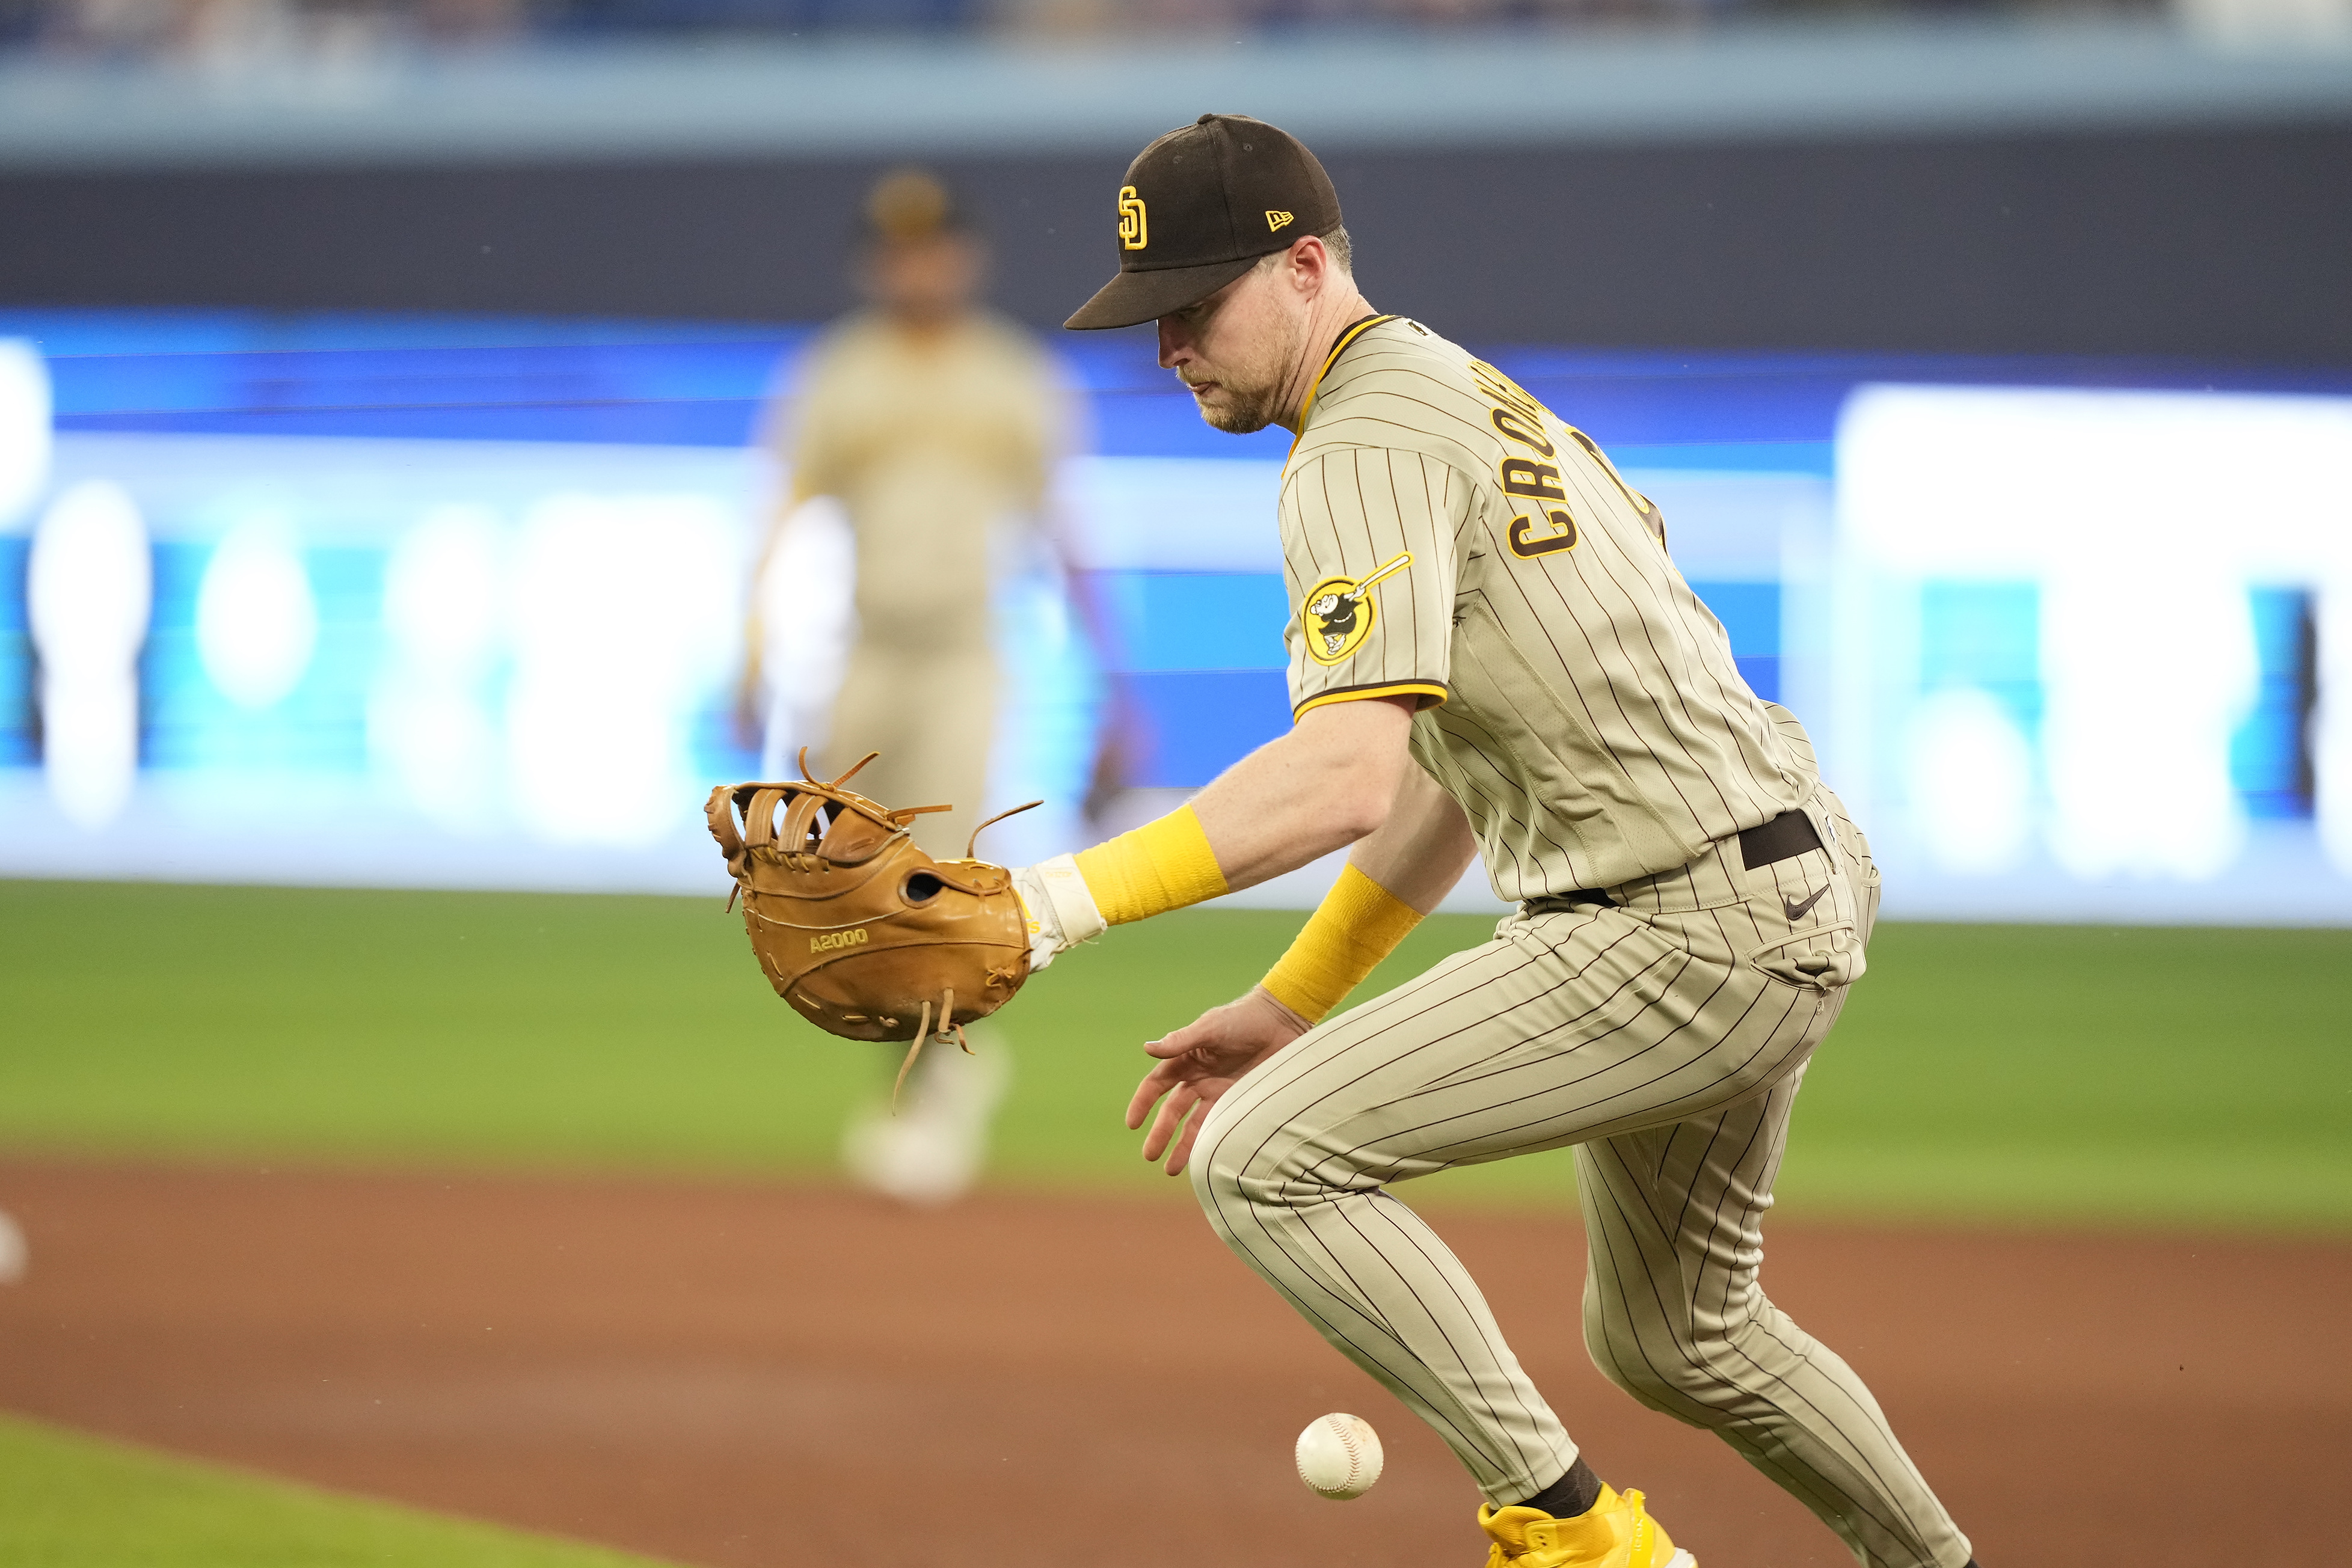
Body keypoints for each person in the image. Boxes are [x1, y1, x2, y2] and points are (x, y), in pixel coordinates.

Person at [1010, 115, 1979, 1568]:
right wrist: (1293, 997)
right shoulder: (1454, 389)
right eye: (1153, 317)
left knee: (1263, 1157)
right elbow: (1442, 781)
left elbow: (1342, 776)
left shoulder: (1362, 440)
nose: (1168, 348)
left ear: (1306, 266)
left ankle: (1585, 1538)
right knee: (1676, 1335)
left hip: (1676, 920)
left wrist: (1045, 905)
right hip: (1767, 882)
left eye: (1194, 307)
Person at [742, 168, 1076, 1204]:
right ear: (874, 263)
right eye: (898, 249)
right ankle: (919, 1069)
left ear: (964, 258)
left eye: (934, 246)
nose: (917, 266)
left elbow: (1064, 530)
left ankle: (934, 1081)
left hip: (966, 654)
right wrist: (750, 652)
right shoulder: (838, 374)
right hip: (867, 650)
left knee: (946, 878)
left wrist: (1116, 689)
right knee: (844, 879)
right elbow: (782, 510)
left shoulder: (1013, 376)